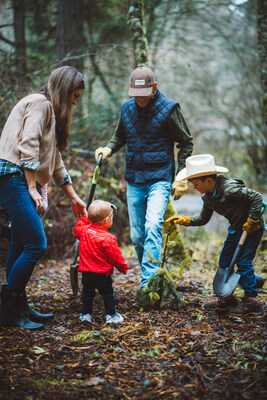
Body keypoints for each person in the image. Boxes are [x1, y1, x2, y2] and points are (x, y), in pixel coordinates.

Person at [0, 66, 87, 330]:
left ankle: (19, 306)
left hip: (18, 177)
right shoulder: (40, 104)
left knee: (19, 245)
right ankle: (7, 309)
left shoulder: (49, 110)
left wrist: (73, 197)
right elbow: (28, 144)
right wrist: (32, 187)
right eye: (75, 95)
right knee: (36, 244)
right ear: (65, 89)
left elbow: (55, 160)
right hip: (13, 175)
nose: (75, 102)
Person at [95, 67, 193, 288]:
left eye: (144, 94)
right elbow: (119, 136)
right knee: (137, 235)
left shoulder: (169, 108)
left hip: (160, 177)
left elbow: (186, 142)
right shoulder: (127, 109)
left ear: (154, 88)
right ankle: (152, 274)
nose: (139, 99)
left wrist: (181, 175)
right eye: (135, 94)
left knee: (152, 225)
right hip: (135, 178)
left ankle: (149, 283)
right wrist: (108, 149)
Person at [166, 154, 265, 317]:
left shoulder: (230, 189)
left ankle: (252, 302)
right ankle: (229, 298)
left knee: (243, 262)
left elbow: (256, 197)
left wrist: (253, 219)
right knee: (225, 262)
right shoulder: (208, 198)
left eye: (196, 184)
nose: (194, 187)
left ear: (209, 180)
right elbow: (203, 219)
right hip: (235, 229)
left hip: (251, 229)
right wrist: (184, 220)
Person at [74, 200, 129, 324]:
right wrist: (123, 267)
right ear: (106, 220)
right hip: (102, 274)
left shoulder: (84, 232)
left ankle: (86, 315)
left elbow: (77, 227)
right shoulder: (108, 238)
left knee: (87, 294)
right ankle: (111, 315)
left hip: (86, 273)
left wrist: (84, 218)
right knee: (107, 294)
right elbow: (115, 257)